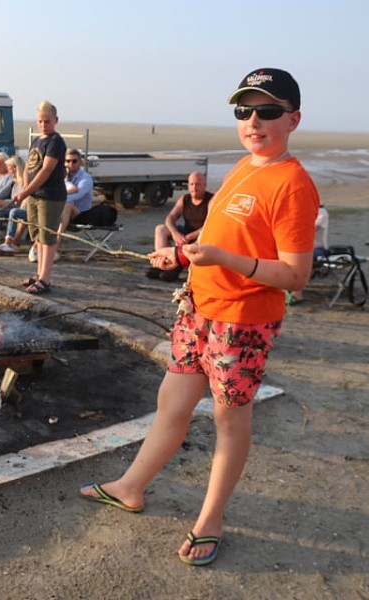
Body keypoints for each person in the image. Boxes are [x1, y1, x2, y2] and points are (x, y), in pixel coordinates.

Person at [80, 68, 319, 567]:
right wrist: (183, 256)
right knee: (171, 402)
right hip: (199, 309)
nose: (254, 121)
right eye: (244, 111)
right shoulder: (243, 167)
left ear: (293, 119)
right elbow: (219, 236)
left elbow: (296, 276)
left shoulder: (293, 184)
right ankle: (131, 486)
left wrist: (224, 262)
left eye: (268, 111)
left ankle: (210, 519)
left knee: (230, 422)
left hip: (243, 322)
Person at [11, 100, 67, 293]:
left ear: (55, 120)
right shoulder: (37, 140)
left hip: (50, 196)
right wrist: (26, 188)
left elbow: (46, 170)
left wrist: (25, 192)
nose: (43, 125)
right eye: (41, 121)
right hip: (35, 196)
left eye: (47, 121)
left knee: (48, 237)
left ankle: (45, 278)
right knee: (38, 237)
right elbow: (29, 167)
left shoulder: (56, 142)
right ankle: (38, 273)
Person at [147, 171, 214, 282]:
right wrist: (175, 233)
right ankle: (163, 261)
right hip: (185, 233)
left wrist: (188, 237)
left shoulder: (211, 200)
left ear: (205, 185)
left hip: (202, 236)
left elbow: (211, 224)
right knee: (161, 229)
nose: (195, 188)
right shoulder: (184, 199)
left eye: (198, 184)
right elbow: (170, 218)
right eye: (192, 184)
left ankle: (175, 267)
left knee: (167, 278)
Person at [54, 148, 95, 259]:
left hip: (82, 215)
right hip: (63, 213)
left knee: (68, 203)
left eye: (74, 161)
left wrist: (57, 195)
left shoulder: (85, 179)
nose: (70, 164)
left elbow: (76, 195)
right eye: (67, 161)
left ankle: (56, 245)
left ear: (80, 162)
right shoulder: (64, 177)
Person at [287, 204, 329, 304]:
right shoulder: (300, 210)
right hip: (300, 246)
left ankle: (297, 294)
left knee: (298, 256)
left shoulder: (322, 213)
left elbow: (308, 230)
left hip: (318, 248)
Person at [0, 156, 28, 256]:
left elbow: (20, 202)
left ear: (15, 168)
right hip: (16, 207)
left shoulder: (25, 182)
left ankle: (7, 242)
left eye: (9, 169)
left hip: (23, 209)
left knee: (12, 212)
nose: (8, 171)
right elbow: (4, 195)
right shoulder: (15, 182)